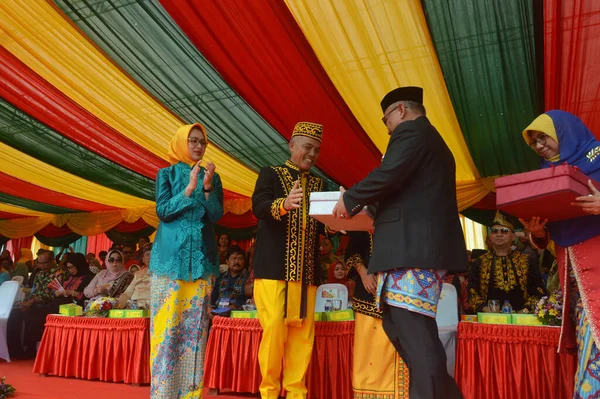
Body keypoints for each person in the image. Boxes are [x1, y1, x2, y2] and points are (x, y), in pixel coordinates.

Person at [332, 87, 467, 399]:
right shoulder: (426, 141)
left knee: (416, 338)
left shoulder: (412, 134)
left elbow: (388, 174)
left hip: (413, 252)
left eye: (386, 119)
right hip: (411, 250)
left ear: (401, 110)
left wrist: (348, 200)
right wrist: (359, 213)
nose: (388, 126)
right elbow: (400, 191)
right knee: (405, 332)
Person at [520, 110, 600, 397]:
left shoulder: (599, 158)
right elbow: (552, 232)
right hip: (577, 283)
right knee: (588, 348)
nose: (540, 145)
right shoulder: (545, 177)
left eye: (544, 137)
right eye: (534, 143)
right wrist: (539, 232)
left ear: (564, 131)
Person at [149, 123, 223, 399]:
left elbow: (216, 215)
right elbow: (163, 211)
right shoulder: (166, 174)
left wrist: (205, 189)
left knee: (195, 335)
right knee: (167, 332)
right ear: (181, 142)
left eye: (202, 142)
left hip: (202, 264)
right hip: (169, 264)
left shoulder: (212, 177)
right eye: (192, 141)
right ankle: (163, 394)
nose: (198, 146)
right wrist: (189, 189)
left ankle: (191, 395)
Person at [252, 122, 325, 399]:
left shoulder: (319, 184)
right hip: (274, 272)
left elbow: (320, 226)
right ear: (291, 145)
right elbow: (258, 207)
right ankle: (269, 394)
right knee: (273, 335)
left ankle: (296, 394)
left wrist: (336, 221)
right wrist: (282, 204)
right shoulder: (270, 174)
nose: (312, 154)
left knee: (303, 339)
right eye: (307, 147)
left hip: (306, 273)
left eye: (317, 150)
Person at [346, 231, 409, 398]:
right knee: (367, 353)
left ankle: (397, 394)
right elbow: (352, 252)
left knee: (394, 347)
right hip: (368, 295)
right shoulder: (363, 215)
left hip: (398, 294)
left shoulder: (402, 217)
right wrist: (363, 272)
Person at [467, 212, 545, 314]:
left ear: (513, 236)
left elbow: (539, 290)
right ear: (490, 236)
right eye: (495, 231)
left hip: (523, 319)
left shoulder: (527, 261)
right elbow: (472, 291)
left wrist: (524, 311)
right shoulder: (480, 262)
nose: (499, 234)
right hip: (489, 320)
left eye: (504, 231)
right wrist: (487, 310)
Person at [7, 250, 68, 358]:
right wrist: (26, 302)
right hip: (34, 304)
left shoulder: (59, 273)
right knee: (14, 315)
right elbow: (33, 291)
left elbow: (53, 294)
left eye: (45, 263)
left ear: (52, 261)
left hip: (50, 305)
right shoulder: (39, 273)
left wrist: (32, 302)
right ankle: (16, 350)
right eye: (39, 263)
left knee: (34, 315)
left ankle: (32, 349)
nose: (42, 265)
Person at [210, 245, 249, 310]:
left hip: (239, 316)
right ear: (227, 261)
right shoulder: (220, 277)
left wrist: (237, 308)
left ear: (244, 262)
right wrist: (211, 308)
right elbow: (213, 299)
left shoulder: (248, 278)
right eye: (234, 258)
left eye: (240, 259)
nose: (236, 261)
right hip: (219, 314)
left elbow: (251, 304)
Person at [119, 244, 152, 309]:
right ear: (143, 259)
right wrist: (117, 306)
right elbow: (127, 293)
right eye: (147, 255)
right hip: (134, 307)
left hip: (152, 308)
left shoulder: (165, 274)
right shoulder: (137, 274)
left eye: (153, 254)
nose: (150, 257)